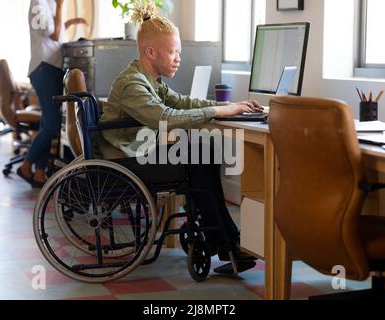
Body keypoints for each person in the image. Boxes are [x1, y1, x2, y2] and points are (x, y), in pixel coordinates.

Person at [99, 1, 263, 274]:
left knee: (206, 149)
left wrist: (227, 108)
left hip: (137, 153)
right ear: (151, 52)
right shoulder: (132, 83)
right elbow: (166, 118)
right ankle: (226, 241)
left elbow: (181, 102)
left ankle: (224, 240)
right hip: (124, 161)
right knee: (200, 157)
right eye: (174, 52)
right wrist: (220, 110)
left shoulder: (149, 79)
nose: (178, 58)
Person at [18, 0, 87, 188]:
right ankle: (26, 165)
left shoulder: (47, 4)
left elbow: (53, 30)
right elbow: (55, 35)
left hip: (51, 68)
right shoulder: (38, 5)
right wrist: (61, 5)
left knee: (47, 124)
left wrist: (70, 22)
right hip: (44, 69)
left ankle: (39, 173)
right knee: (53, 124)